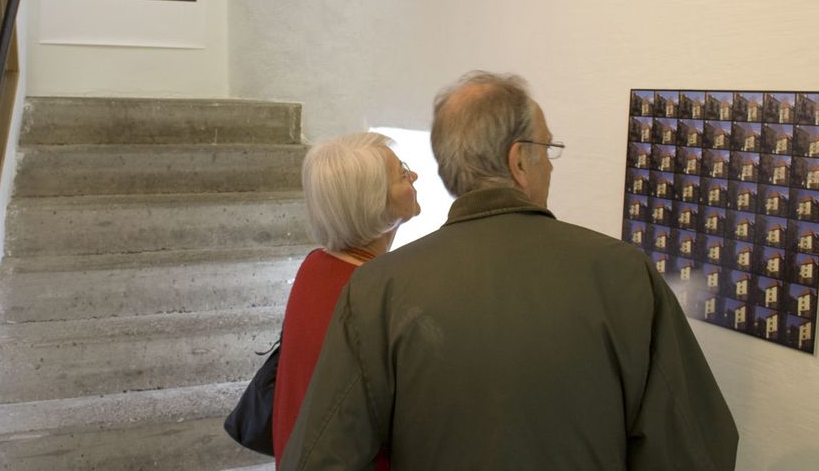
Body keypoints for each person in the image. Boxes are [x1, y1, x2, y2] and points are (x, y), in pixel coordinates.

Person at [280, 71, 738, 471]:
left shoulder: (379, 289)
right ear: (520, 161)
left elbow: (319, 458)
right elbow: (696, 449)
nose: (549, 166)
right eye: (547, 148)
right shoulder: (624, 274)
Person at [272, 132, 420, 468]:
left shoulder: (315, 266)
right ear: (372, 201)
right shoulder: (376, 292)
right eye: (402, 174)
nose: (414, 177)